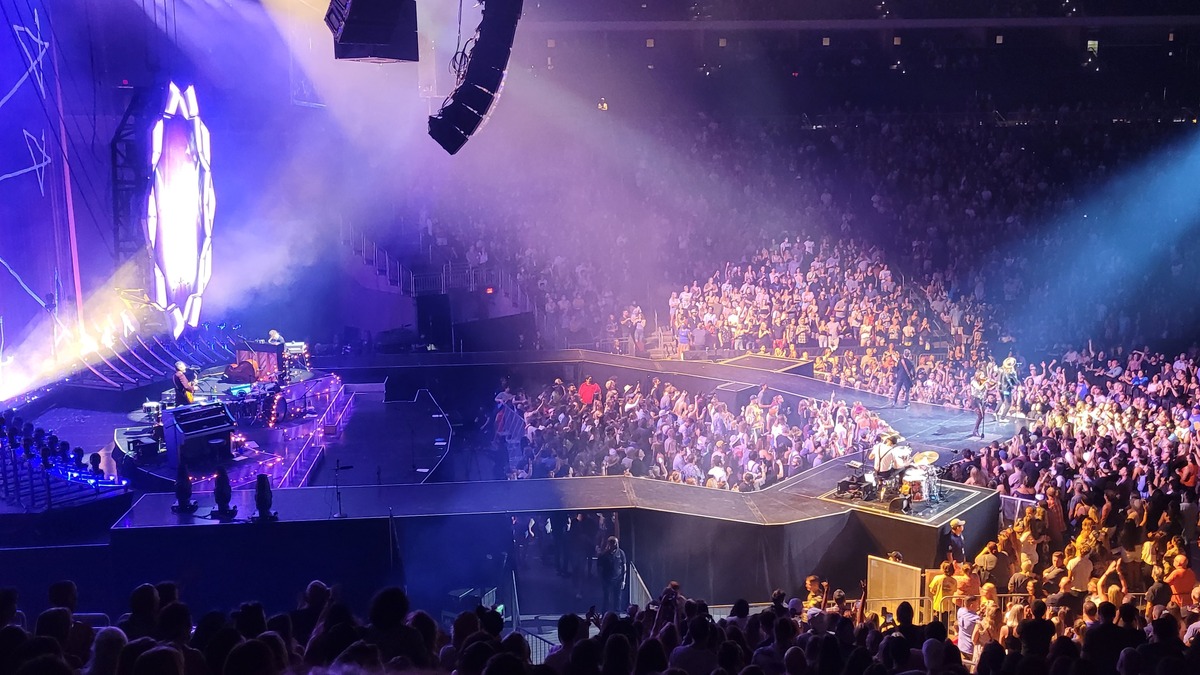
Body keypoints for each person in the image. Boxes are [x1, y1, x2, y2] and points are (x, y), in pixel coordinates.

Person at [597, 536, 627, 613]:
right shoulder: (603, 555)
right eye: (614, 543)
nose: (616, 545)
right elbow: (599, 568)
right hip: (607, 580)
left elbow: (624, 566)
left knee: (617, 598)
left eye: (616, 543)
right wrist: (601, 580)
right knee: (606, 598)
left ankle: (617, 615)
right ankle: (605, 614)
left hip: (618, 580)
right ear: (609, 544)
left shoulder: (621, 553)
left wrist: (623, 580)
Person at [956, 595, 981, 666]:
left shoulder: (960, 611)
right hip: (971, 649)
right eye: (977, 604)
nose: (978, 606)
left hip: (961, 646)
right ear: (971, 605)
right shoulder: (976, 619)